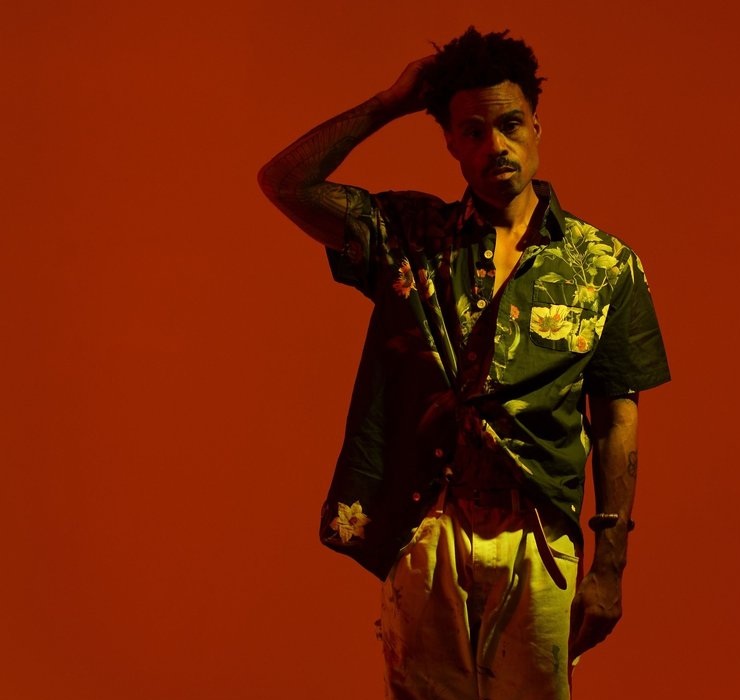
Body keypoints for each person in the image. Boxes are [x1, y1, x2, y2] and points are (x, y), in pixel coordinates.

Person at [258, 27, 670, 700]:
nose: (495, 146)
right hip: (429, 524)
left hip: (538, 529)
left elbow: (617, 417)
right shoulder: (408, 235)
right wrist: (387, 104)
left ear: (536, 126)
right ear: (450, 141)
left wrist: (611, 563)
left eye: (510, 125)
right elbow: (284, 182)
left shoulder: (603, 264)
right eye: (472, 131)